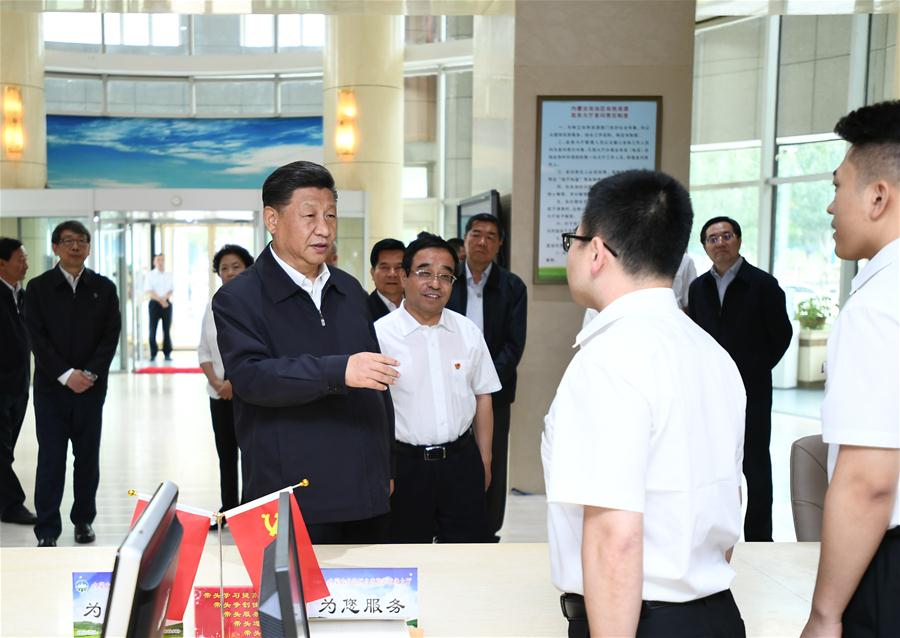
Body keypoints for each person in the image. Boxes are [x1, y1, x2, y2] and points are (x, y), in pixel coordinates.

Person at [543, 170, 746, 637]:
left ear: (595, 251)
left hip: (637, 621)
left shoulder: (607, 360)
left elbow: (614, 535)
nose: (569, 251)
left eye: (573, 239)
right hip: (714, 615)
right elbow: (729, 498)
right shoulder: (712, 354)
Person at [213, 161, 399, 545]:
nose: (325, 229)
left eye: (331, 215)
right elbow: (251, 378)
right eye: (310, 215)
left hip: (364, 490)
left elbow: (379, 385)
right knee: (295, 604)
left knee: (367, 601)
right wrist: (338, 371)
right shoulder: (239, 298)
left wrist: (386, 466)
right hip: (291, 495)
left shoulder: (349, 291)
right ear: (272, 219)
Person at [801, 100, 900, 638]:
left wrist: (824, 615)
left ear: (878, 195)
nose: (830, 207)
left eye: (838, 187)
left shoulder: (879, 305)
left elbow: (868, 482)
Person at [375, 234, 500, 543]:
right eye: (425, 272)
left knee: (468, 559)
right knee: (404, 559)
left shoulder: (467, 331)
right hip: (404, 468)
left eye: (445, 276)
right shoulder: (379, 336)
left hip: (461, 462)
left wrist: (484, 460)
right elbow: (369, 413)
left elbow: (483, 395)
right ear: (404, 277)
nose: (435, 283)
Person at [687, 216, 792, 541]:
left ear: (739, 240)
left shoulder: (763, 284)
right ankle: (715, 533)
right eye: (712, 238)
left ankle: (760, 537)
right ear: (705, 246)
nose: (720, 243)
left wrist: (757, 368)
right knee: (713, 466)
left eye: (726, 236)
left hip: (753, 391)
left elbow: (782, 334)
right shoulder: (698, 288)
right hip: (711, 393)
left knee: (756, 466)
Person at [25, 221, 121, 547]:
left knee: (87, 458)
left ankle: (83, 521)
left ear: (89, 247)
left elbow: (110, 337)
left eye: (81, 241)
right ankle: (47, 529)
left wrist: (89, 374)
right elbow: (36, 337)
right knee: (51, 458)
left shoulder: (104, 288)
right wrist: (66, 375)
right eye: (68, 241)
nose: (75, 247)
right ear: (55, 247)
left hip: (91, 391)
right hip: (52, 390)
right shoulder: (38, 288)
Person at [447, 213, 527, 541]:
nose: (482, 242)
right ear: (465, 239)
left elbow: (514, 343)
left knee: (489, 455)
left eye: (490, 237)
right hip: (451, 387)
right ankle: (451, 521)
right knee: (453, 453)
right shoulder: (448, 281)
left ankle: (488, 527)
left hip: (495, 392)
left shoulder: (512, 287)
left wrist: (484, 381)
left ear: (499, 245)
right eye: (476, 234)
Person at [198, 244, 254, 523]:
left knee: (252, 452)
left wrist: (234, 382)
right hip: (218, 394)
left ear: (248, 269)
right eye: (224, 268)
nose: (230, 272)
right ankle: (228, 508)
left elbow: (255, 350)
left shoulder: (256, 304)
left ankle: (249, 508)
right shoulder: (213, 305)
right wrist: (218, 383)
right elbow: (204, 351)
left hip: (248, 394)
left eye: (236, 267)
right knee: (226, 454)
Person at [0, 238, 37, 526]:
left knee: (7, 448)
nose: (25, 264)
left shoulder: (21, 295)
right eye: (19, 259)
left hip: (19, 384)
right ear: (2, 264)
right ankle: (12, 505)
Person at [367, 238, 405, 321]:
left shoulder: (419, 306)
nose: (392, 274)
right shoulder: (362, 310)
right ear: (372, 273)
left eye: (398, 267)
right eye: (385, 267)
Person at [144, 253, 174, 361]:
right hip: (154, 304)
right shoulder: (150, 275)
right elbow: (149, 291)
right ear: (154, 262)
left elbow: (171, 290)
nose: (160, 262)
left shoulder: (169, 275)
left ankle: (167, 354)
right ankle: (153, 354)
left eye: (162, 260)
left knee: (166, 330)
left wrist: (165, 300)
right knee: (153, 329)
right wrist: (161, 301)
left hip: (167, 303)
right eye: (158, 260)